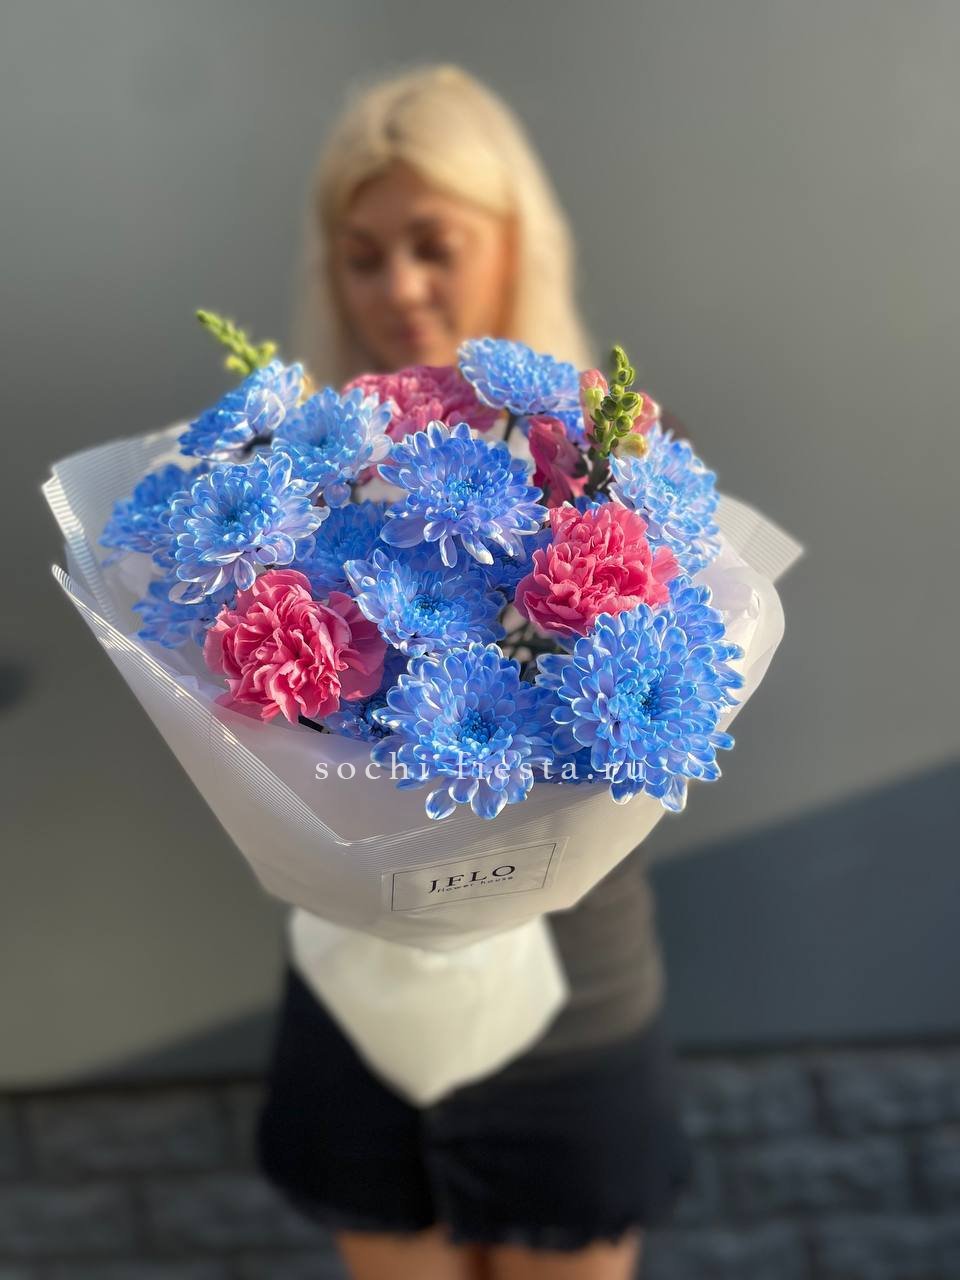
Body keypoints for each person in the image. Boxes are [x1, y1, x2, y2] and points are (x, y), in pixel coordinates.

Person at [256, 63, 693, 1280]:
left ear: (513, 239)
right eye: (362, 255)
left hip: (575, 999)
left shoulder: (615, 463)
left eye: (433, 244)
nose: (398, 286)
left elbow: (674, 713)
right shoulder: (299, 473)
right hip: (363, 996)